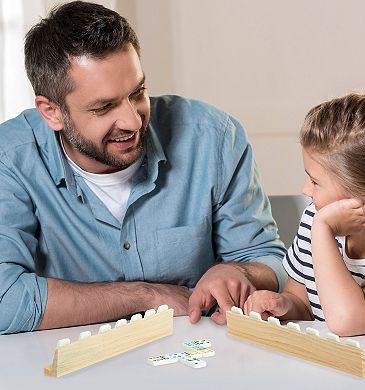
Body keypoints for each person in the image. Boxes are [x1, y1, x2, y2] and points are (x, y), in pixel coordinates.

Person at [0, 1, 287, 334]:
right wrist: (146, 296)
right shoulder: (10, 159)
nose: (132, 120)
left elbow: (269, 260)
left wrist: (242, 273)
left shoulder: (214, 137)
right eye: (104, 107)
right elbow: (5, 299)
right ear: (51, 112)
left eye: (137, 92)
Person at [244, 93, 365, 336]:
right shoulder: (315, 218)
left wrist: (322, 231)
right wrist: (284, 305)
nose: (305, 189)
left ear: (362, 194)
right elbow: (302, 302)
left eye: (315, 181)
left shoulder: (320, 225)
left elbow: (346, 320)